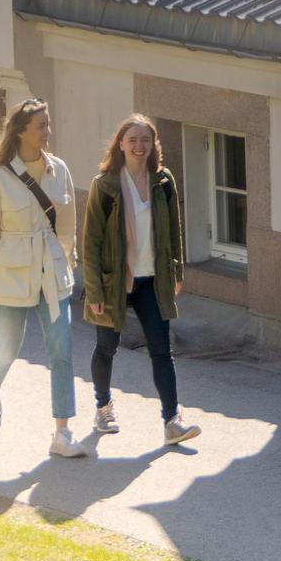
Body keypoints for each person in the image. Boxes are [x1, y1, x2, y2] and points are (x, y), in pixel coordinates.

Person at [0, 98, 87, 461]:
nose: (47, 132)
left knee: (62, 349)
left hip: (52, 272)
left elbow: (66, 225)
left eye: (47, 125)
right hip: (10, 276)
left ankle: (62, 433)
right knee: (7, 350)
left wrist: (69, 263)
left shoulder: (59, 169)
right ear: (20, 131)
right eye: (40, 126)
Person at [80, 112, 198, 448]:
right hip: (115, 281)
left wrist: (176, 272)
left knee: (162, 351)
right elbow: (92, 241)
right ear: (120, 144)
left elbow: (174, 230)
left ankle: (172, 422)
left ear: (153, 144)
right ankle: (103, 408)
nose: (139, 146)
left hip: (152, 279)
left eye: (145, 139)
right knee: (107, 347)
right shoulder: (105, 185)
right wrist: (95, 290)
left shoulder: (162, 181)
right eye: (132, 140)